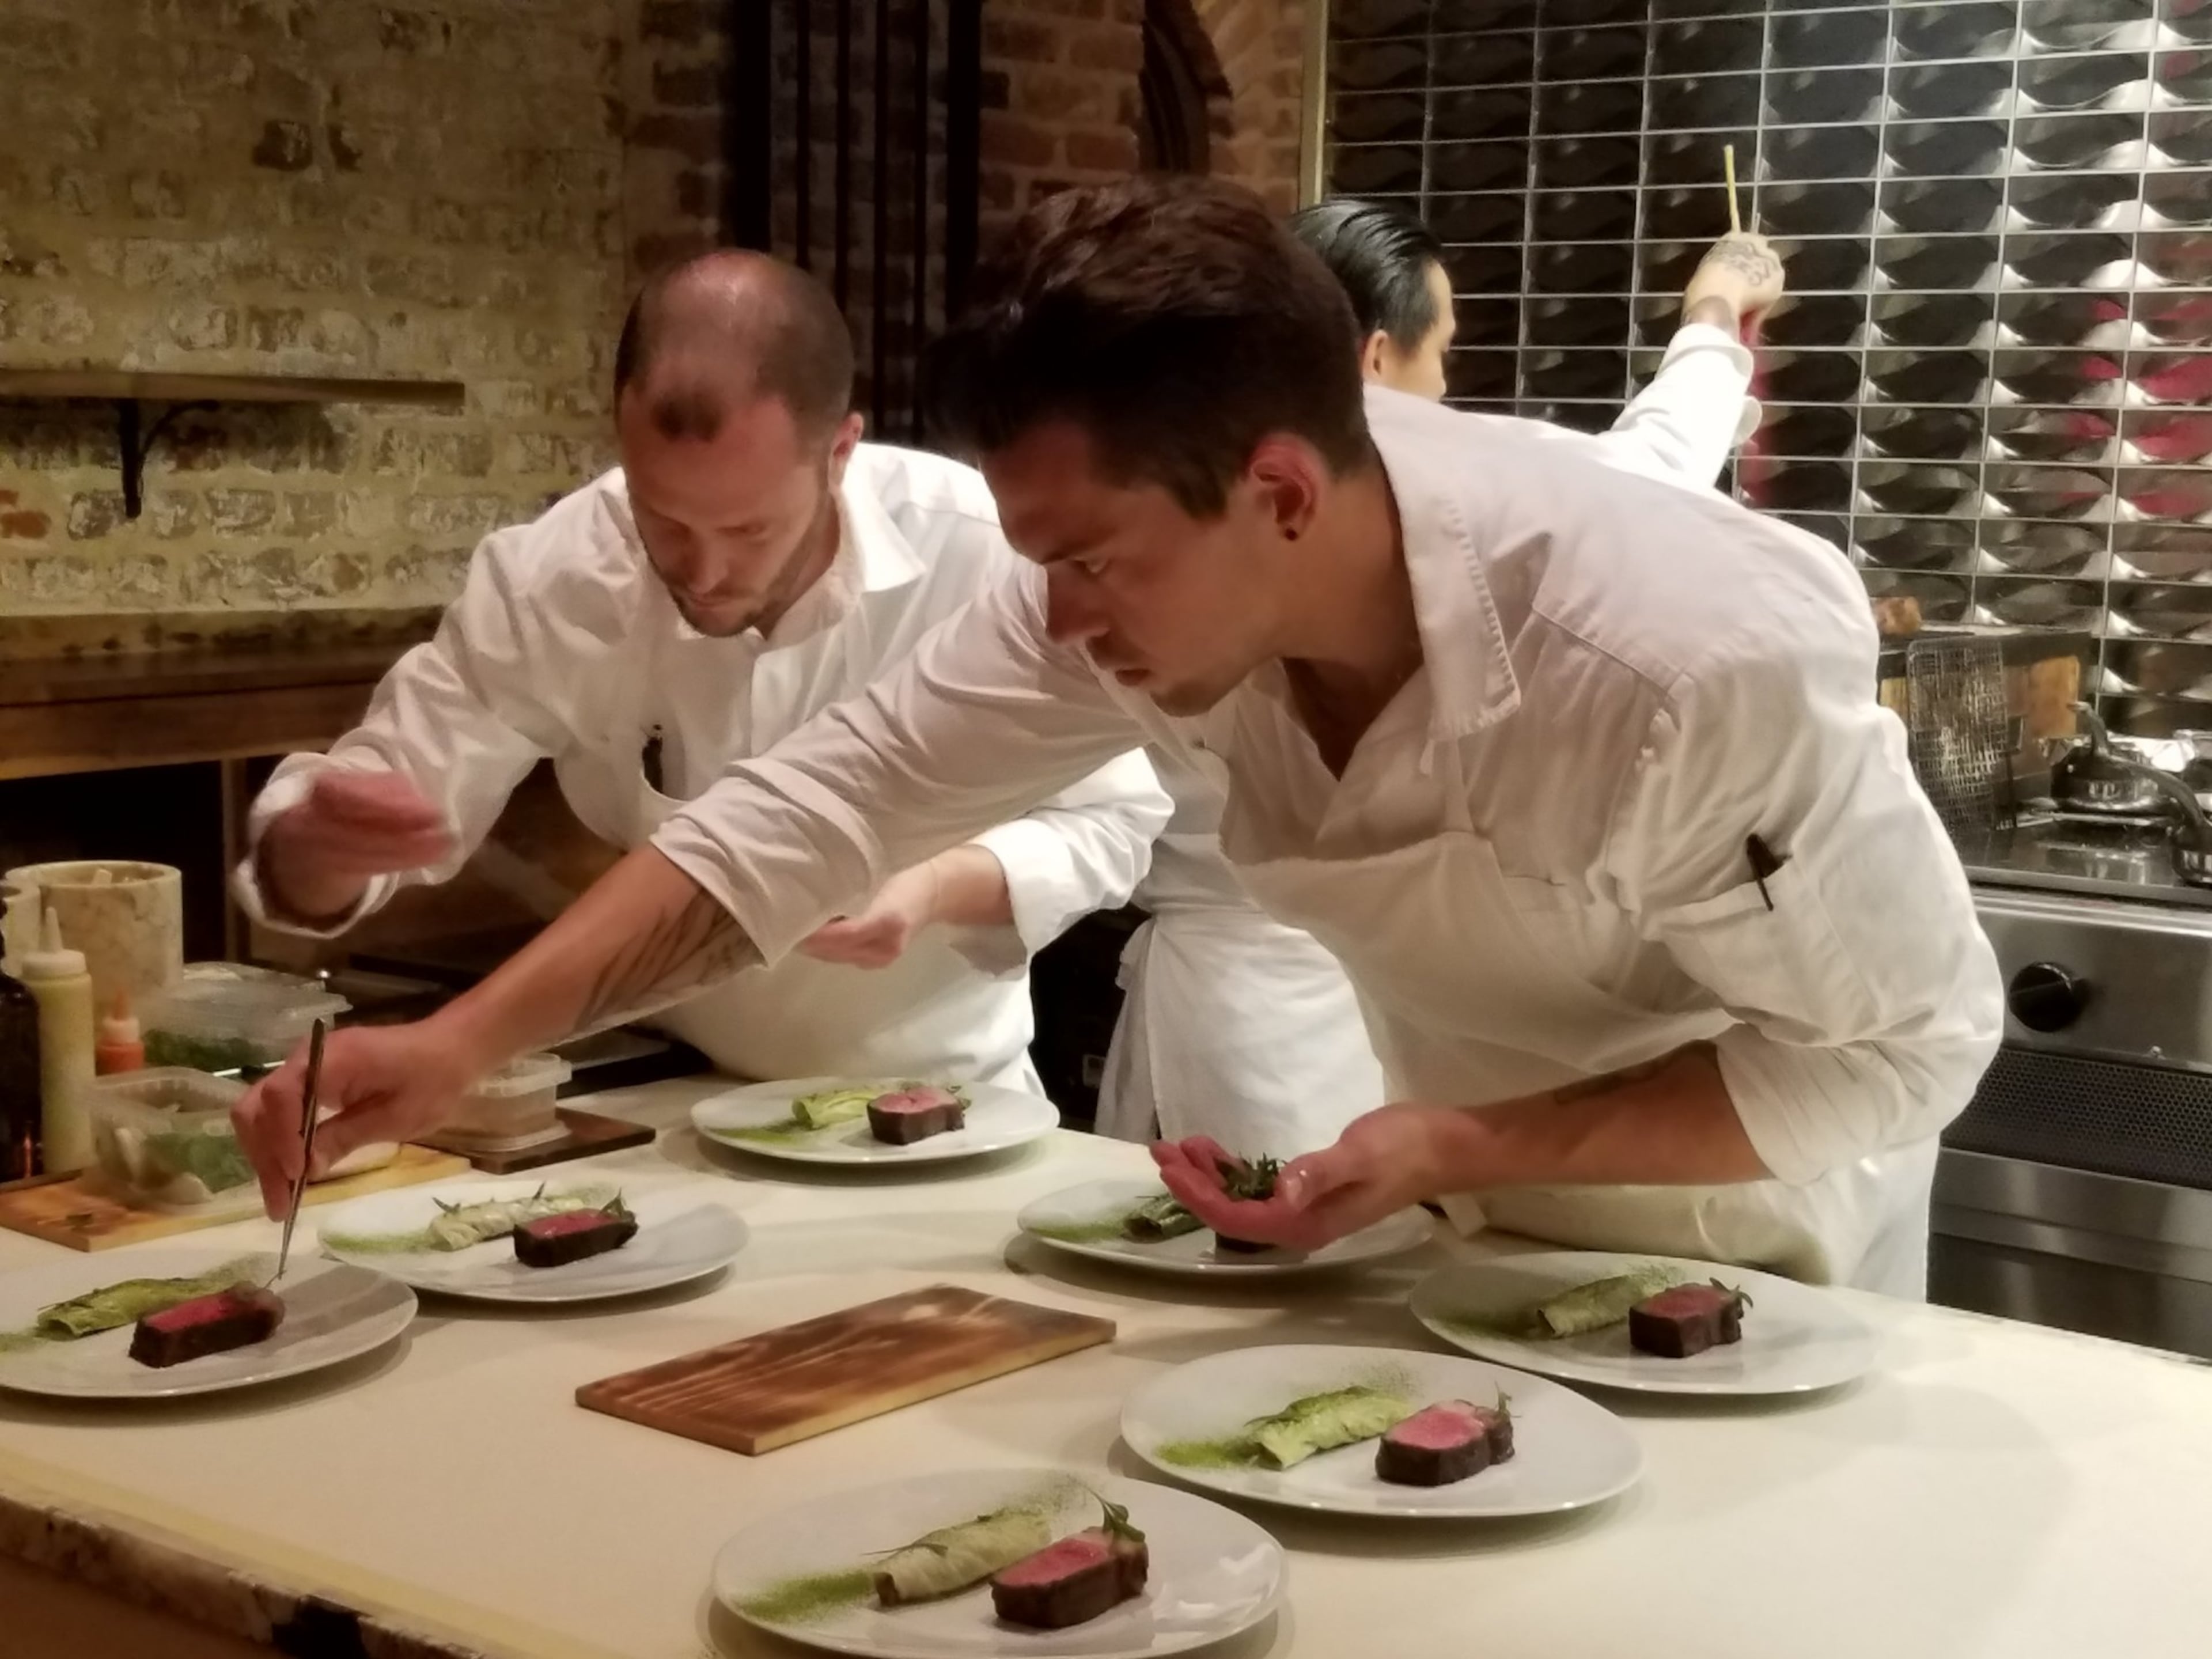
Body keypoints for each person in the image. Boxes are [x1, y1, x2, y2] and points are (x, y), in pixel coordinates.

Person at [233, 179, 1999, 1299]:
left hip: (1766, 1253)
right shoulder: (1138, 577)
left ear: (1284, 492)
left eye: (1093, 564)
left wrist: (1465, 1140)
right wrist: (457, 1047)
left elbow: (1904, 1056)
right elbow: (815, 808)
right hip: (1465, 1235)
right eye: (1034, 559)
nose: (1060, 622)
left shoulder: (1679, 663)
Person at [236, 251, 1167, 1093]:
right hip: (672, 1096)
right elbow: (376, 805)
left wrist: (933, 887)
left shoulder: (986, 552)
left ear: (840, 452)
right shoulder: (558, 577)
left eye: (750, 529)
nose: (706, 573)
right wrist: (311, 853)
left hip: (943, 1096)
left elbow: (1114, 824)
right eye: (664, 522)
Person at [1096, 198, 1790, 1157]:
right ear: (1377, 366)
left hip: (1303, 1004)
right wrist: (1713, 316)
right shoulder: (1429, 554)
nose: (1450, 389)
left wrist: (1713, 324)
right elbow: (1640, 476)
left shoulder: (1167, 520)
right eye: (1444, 354)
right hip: (1285, 1016)